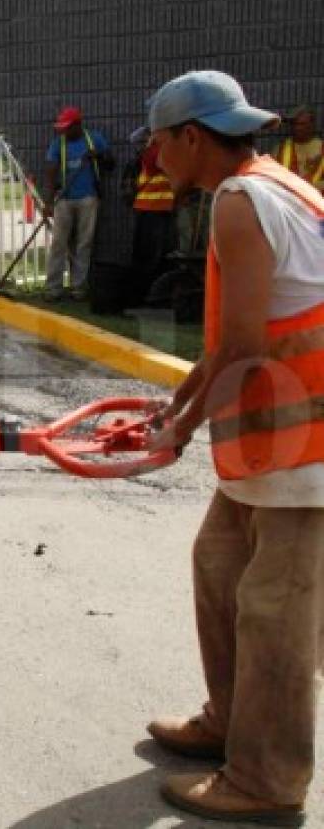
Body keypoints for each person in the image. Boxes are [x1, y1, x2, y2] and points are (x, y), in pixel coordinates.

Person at [146, 71, 324, 826]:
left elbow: (245, 348)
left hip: (305, 445)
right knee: (217, 566)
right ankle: (227, 720)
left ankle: (266, 778)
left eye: (157, 141)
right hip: (274, 444)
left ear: (190, 137)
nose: (153, 158)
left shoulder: (237, 203)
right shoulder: (274, 181)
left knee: (275, 612)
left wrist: (179, 431)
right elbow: (229, 343)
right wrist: (174, 406)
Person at [42, 106, 112, 302]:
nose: (63, 131)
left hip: (88, 198)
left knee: (84, 244)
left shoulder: (94, 139)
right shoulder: (58, 144)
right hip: (63, 199)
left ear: (78, 125)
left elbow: (111, 164)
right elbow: (50, 172)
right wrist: (48, 202)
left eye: (66, 127)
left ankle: (78, 289)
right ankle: (53, 289)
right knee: (58, 243)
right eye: (61, 128)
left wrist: (97, 156)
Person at [127, 127, 176, 306]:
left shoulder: (153, 152)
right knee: (152, 256)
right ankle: (149, 296)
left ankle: (147, 295)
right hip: (153, 210)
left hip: (153, 209)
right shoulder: (153, 153)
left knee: (149, 254)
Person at [273, 105, 324, 193]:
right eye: (294, 124)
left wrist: (309, 187)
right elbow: (271, 178)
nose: (297, 128)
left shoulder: (321, 148)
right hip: (288, 202)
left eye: (302, 124)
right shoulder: (280, 150)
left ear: (312, 125)